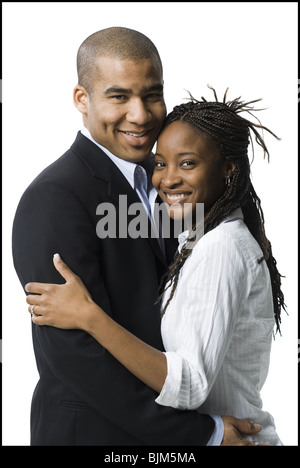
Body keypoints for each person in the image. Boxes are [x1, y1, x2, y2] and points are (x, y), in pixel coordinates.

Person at [12, 27, 259, 446]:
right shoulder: (55, 198)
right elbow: (76, 357)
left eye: (151, 94)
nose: (141, 115)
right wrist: (200, 434)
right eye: (119, 96)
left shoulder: (167, 182)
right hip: (92, 435)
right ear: (82, 100)